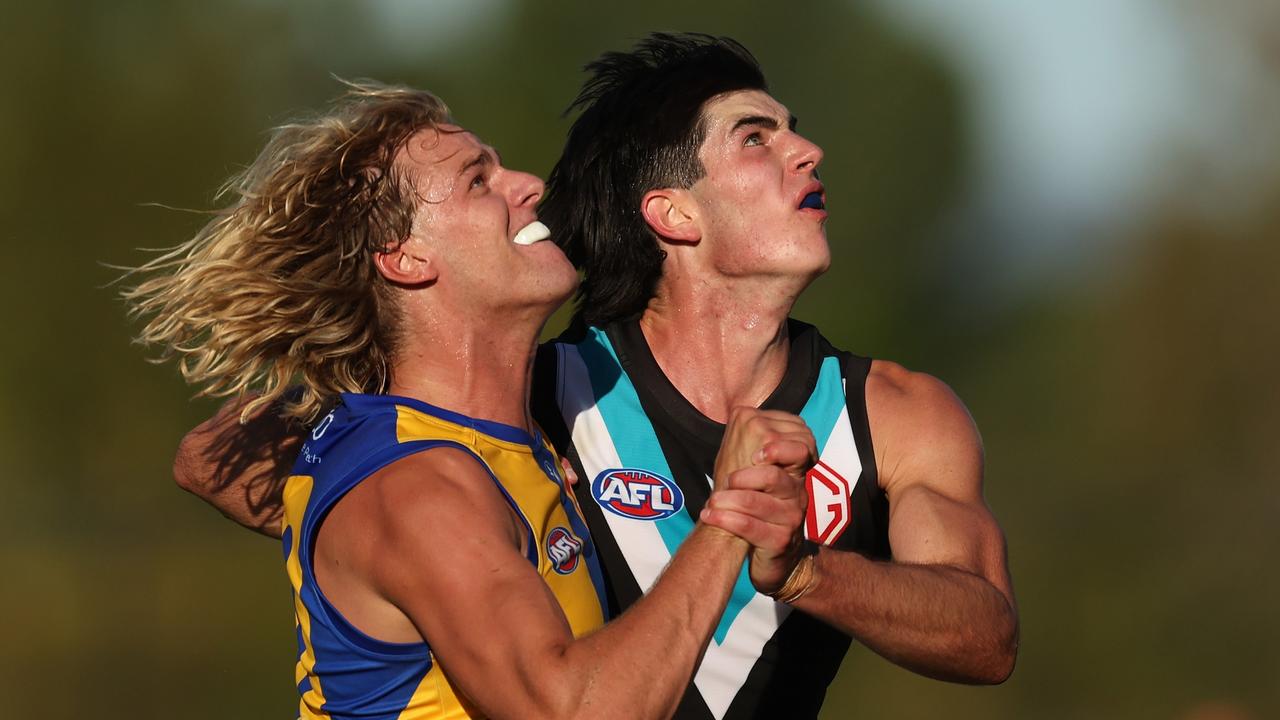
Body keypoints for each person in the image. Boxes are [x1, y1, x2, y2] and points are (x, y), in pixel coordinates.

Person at [175, 33, 1019, 720]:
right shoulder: (532, 401)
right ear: (672, 211)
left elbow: (989, 639)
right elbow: (222, 455)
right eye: (756, 136)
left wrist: (803, 567)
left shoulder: (893, 410)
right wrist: (422, 544)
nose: (808, 150)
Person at [125, 81, 817, 719]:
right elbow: (573, 712)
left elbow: (205, 456)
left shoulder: (462, 444)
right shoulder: (422, 488)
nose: (530, 185)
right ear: (404, 259)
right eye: (477, 180)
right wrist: (734, 513)